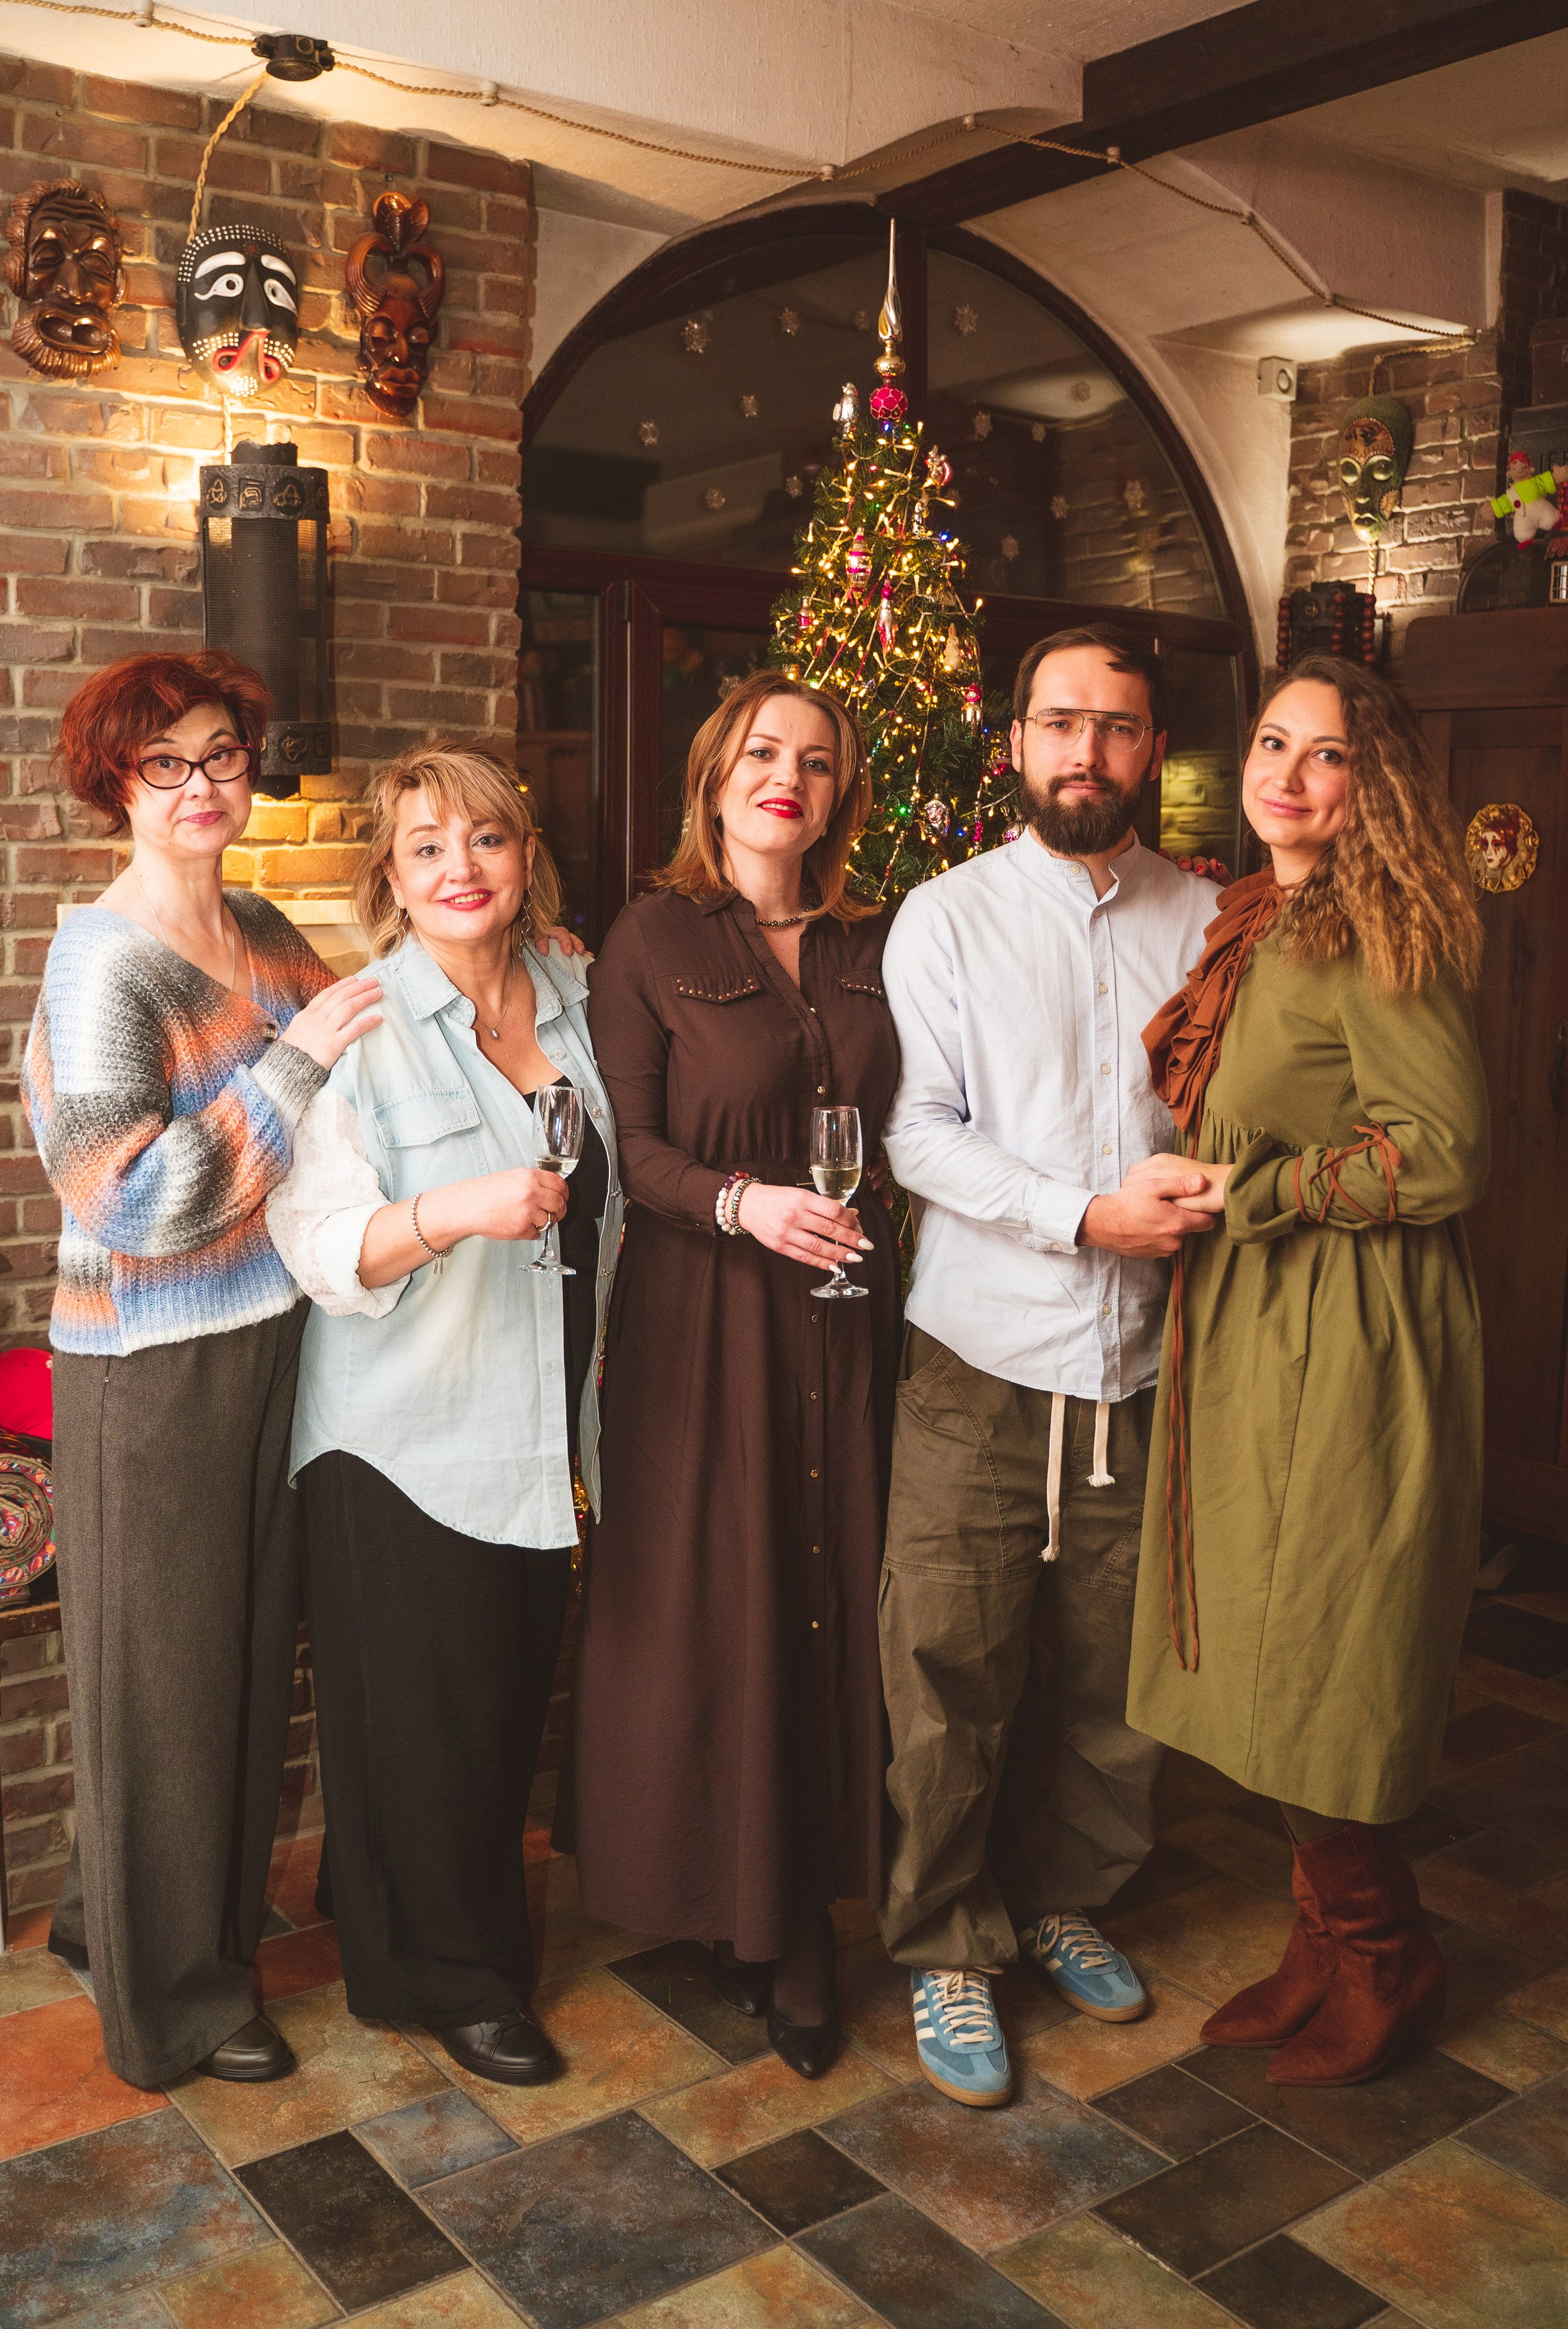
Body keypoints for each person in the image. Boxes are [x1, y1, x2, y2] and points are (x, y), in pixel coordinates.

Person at [23, 650, 382, 2090]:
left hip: (264, 1341)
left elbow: (352, 1055)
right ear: (116, 781)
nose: (200, 786)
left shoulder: (259, 923)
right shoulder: (100, 962)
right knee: (166, 1684)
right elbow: (134, 1202)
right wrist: (293, 1069)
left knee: (225, 1665)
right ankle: (173, 2005)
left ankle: (106, 1914)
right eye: (165, 762)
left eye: (222, 756)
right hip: (143, 1368)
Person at [1128, 654, 1488, 2087]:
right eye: (1270, 742)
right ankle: (1319, 1944)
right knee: (1263, 1635)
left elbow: (1447, 1150)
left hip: (1349, 1324)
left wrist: (1254, 1193)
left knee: (1320, 1638)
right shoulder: (1259, 917)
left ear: (1370, 782)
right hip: (1251, 1315)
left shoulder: (1372, 934)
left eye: (1322, 754)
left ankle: (1384, 1952)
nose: (1282, 773)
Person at [876, 623, 1222, 2108]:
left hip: (1144, 1365)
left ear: (1149, 751)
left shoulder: (1210, 921)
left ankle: (1071, 1891)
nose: (1087, 751)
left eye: (1118, 728)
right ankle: (948, 1941)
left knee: (1107, 1664)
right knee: (947, 1659)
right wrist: (1083, 1214)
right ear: (1012, 740)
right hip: (981, 1355)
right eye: (1060, 723)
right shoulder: (943, 919)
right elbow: (916, 1133)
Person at [265, 744, 620, 2088]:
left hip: (540, 1427)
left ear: (524, 860)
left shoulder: (577, 997)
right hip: (398, 1434)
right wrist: (450, 1212)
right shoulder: (352, 1032)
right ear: (391, 882)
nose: (458, 867)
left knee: (489, 1707)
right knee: (428, 1719)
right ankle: (451, 1982)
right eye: (426, 848)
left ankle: (397, 1911)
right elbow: (318, 1248)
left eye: (483, 839)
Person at [563, 673, 899, 2079]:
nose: (787, 778)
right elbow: (626, 1150)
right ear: (713, 778)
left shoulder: (877, 942)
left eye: (815, 762)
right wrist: (740, 1205)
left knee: (835, 1589)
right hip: (704, 1322)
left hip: (846, 1314)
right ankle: (748, 1916)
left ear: (837, 795)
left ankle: (803, 1903)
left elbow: (915, 1116)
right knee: (723, 1603)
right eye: (762, 754)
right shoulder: (650, 936)